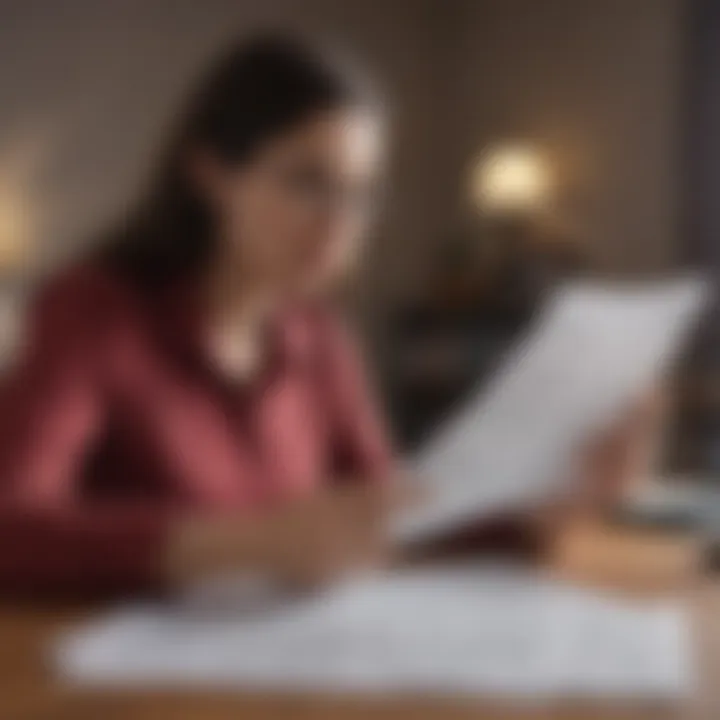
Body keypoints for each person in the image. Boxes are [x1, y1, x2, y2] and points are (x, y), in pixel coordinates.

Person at [0, 34, 660, 599]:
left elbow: (385, 514)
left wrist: (542, 513)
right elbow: (13, 527)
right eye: (309, 183)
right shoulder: (93, 310)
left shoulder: (317, 335)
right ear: (209, 174)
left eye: (360, 196)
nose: (339, 226)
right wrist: (240, 543)